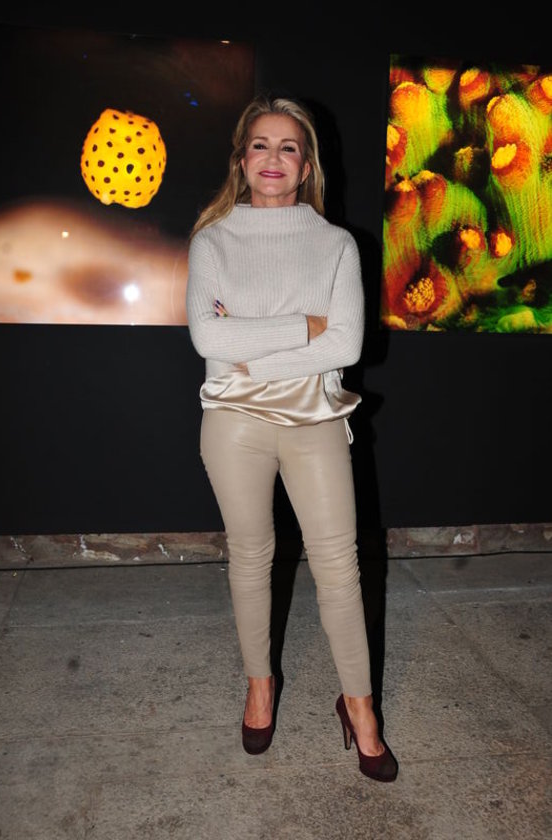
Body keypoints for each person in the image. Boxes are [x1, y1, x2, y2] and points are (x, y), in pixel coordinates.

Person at [186, 93, 398, 782]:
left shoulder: (336, 245)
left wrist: (252, 346)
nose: (272, 158)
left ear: (306, 166)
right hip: (233, 422)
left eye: (288, 147)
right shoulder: (212, 241)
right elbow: (207, 338)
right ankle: (260, 685)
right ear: (241, 160)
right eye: (260, 145)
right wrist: (305, 326)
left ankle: (360, 708)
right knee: (251, 558)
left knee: (340, 567)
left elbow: (347, 346)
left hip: (315, 418)